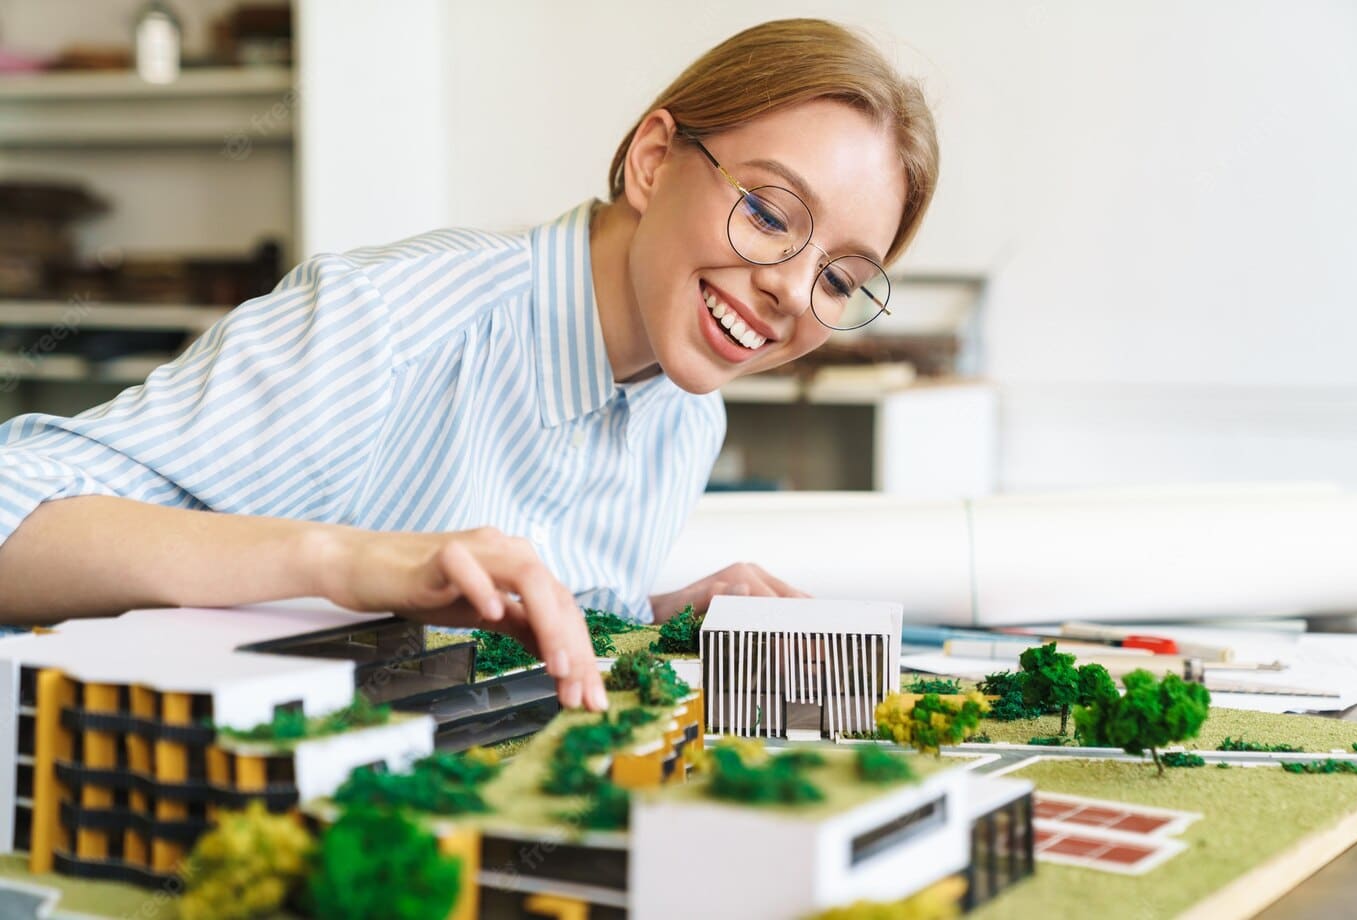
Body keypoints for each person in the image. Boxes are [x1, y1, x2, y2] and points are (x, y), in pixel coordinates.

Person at [0, 19, 938, 712]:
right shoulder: (397, 321)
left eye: (843, 275)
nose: (788, 288)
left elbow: (497, 616)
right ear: (654, 160)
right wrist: (346, 561)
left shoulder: (689, 414)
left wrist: (650, 614)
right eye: (771, 214)